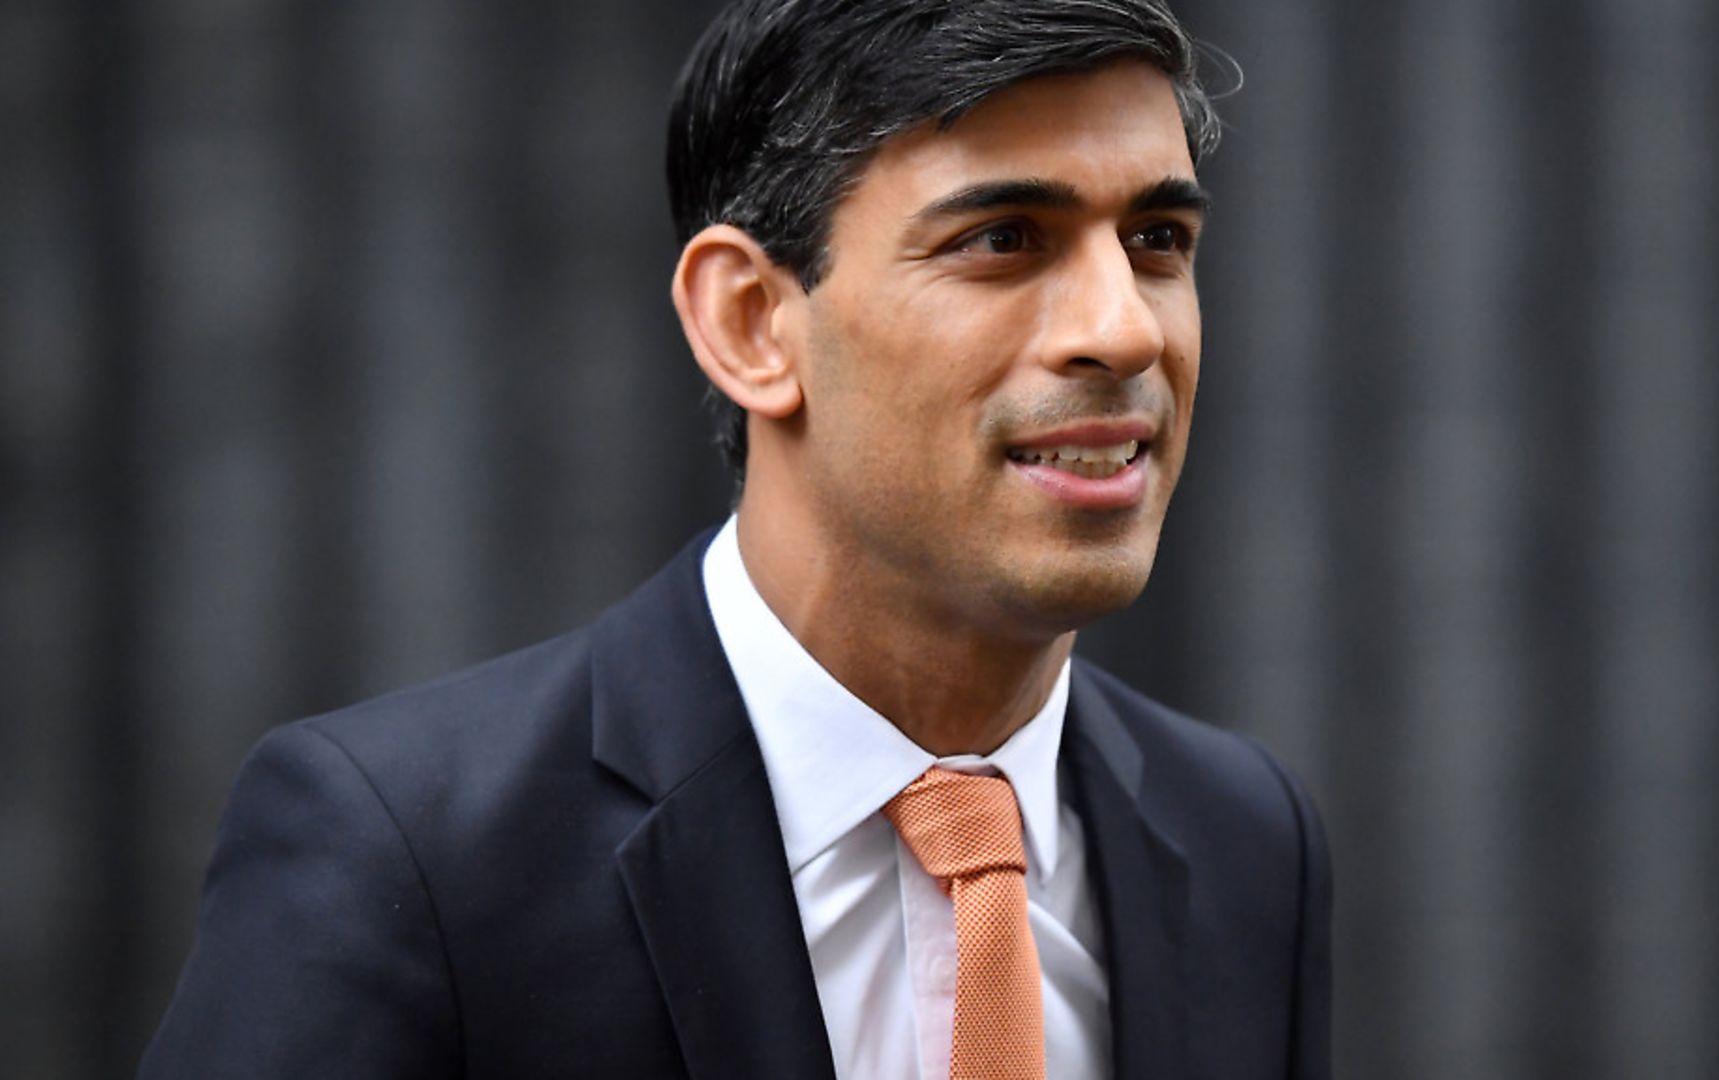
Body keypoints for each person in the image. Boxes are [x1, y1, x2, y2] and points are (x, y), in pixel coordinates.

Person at [140, 0, 1331, 1076]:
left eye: (1159, 241)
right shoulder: (407, 861)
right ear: (752, 322)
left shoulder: (1244, 842)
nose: (1124, 331)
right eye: (1005, 238)